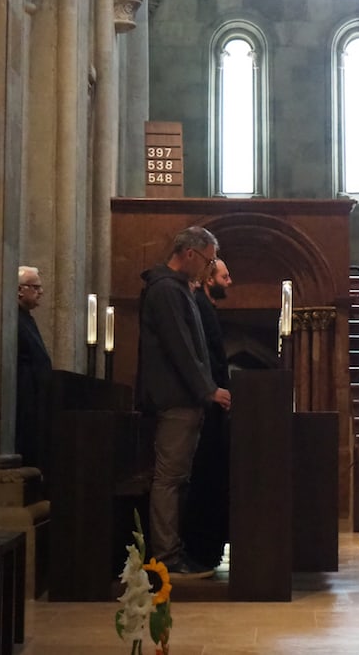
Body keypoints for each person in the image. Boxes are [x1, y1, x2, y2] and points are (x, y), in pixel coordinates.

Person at [135, 226, 232, 579]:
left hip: (184, 398)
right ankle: (165, 558)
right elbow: (181, 349)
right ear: (189, 254)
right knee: (169, 479)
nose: (209, 268)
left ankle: (174, 551)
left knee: (178, 478)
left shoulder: (178, 290)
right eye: (208, 260)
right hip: (175, 400)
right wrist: (208, 389)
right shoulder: (165, 290)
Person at [183, 258, 233, 569]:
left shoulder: (205, 306)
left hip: (215, 402)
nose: (230, 282)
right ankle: (202, 550)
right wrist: (214, 390)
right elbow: (202, 356)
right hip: (208, 403)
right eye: (225, 276)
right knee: (205, 478)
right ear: (208, 278)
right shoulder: (199, 306)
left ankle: (208, 548)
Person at [16, 266, 52, 473]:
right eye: (35, 287)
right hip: (24, 392)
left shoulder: (26, 318)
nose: (41, 292)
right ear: (20, 290)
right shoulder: (15, 319)